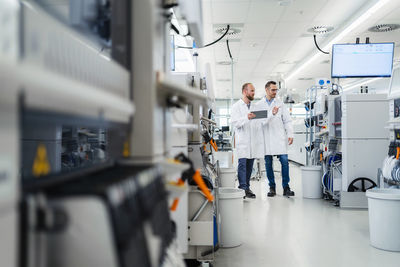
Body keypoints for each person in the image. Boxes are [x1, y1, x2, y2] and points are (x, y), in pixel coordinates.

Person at [256, 81, 294, 197]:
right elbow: (261, 122)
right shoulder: (259, 105)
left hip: (279, 138)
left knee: (284, 162)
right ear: (266, 90)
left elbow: (287, 120)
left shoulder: (280, 103)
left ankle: (286, 187)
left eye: (276, 90)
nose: (275, 92)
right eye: (273, 90)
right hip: (266, 139)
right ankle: (272, 187)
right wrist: (271, 114)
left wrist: (290, 134)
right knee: (268, 163)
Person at [231, 83, 264, 198]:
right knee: (242, 165)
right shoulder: (236, 106)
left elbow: (261, 121)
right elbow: (235, 123)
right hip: (243, 142)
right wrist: (247, 118)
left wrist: (270, 114)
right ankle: (242, 188)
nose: (254, 93)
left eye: (254, 91)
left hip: (253, 141)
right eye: (252, 91)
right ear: (245, 92)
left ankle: (247, 187)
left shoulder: (255, 107)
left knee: (250, 166)